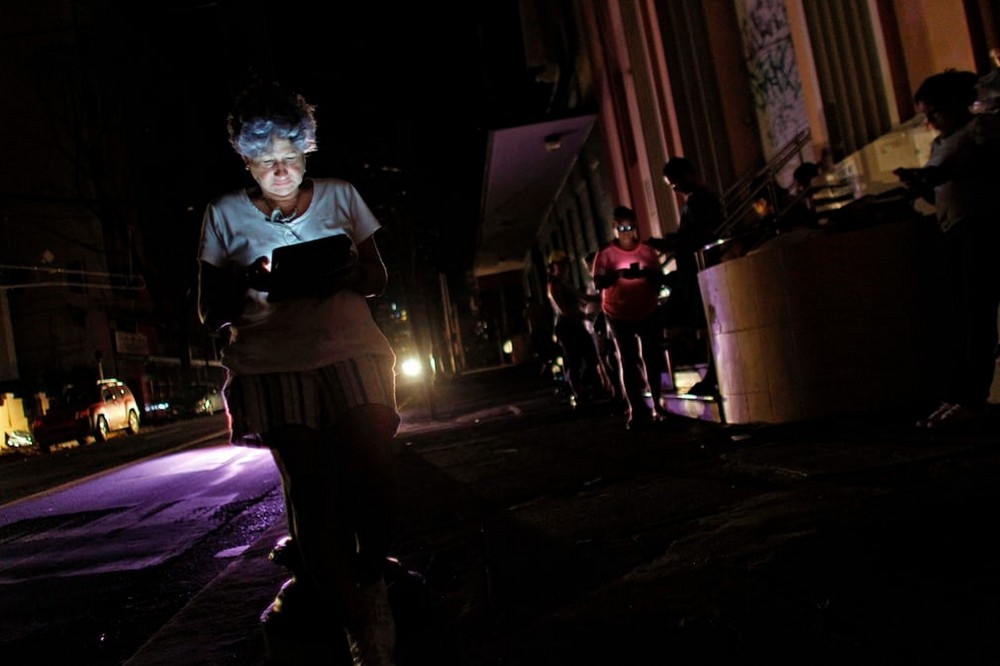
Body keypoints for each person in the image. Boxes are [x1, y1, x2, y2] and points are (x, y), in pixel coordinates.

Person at [197, 81, 400, 664]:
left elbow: (376, 276)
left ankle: (371, 580)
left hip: (351, 348)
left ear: (307, 152)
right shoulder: (222, 215)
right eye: (266, 162)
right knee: (309, 490)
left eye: (290, 157)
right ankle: (361, 623)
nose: (281, 171)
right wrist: (251, 281)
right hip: (270, 361)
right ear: (246, 161)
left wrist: (345, 272)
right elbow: (210, 311)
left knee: (374, 465)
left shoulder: (341, 196)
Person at [893, 69, 1000, 428]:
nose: (930, 122)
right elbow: (941, 192)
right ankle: (960, 394)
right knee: (961, 316)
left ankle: (973, 397)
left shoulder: (981, 131)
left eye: (933, 113)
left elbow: (981, 169)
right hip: (954, 230)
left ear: (955, 104)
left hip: (980, 228)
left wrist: (941, 175)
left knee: (977, 315)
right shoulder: (942, 143)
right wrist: (922, 185)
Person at [591, 206, 671, 429]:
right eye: (622, 228)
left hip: (646, 308)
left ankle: (657, 405)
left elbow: (658, 276)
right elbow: (598, 282)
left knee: (650, 356)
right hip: (618, 312)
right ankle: (635, 408)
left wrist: (645, 274)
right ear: (614, 228)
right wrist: (618, 275)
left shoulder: (646, 250)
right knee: (626, 358)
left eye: (630, 227)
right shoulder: (605, 253)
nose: (627, 233)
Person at [655, 157, 723, 396]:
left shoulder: (699, 202)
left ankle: (714, 374)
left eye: (675, 182)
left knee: (704, 324)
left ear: (688, 174)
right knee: (701, 325)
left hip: (700, 271)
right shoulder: (697, 201)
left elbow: (700, 235)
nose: (675, 188)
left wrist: (673, 242)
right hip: (695, 272)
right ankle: (712, 373)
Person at [546, 249, 605, 403]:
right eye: (560, 264)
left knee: (591, 356)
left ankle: (594, 387)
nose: (564, 267)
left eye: (565, 264)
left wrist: (602, 297)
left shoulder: (565, 282)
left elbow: (582, 297)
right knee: (575, 360)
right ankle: (579, 392)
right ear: (553, 266)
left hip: (576, 324)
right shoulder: (554, 284)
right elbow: (563, 309)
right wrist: (584, 316)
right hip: (566, 326)